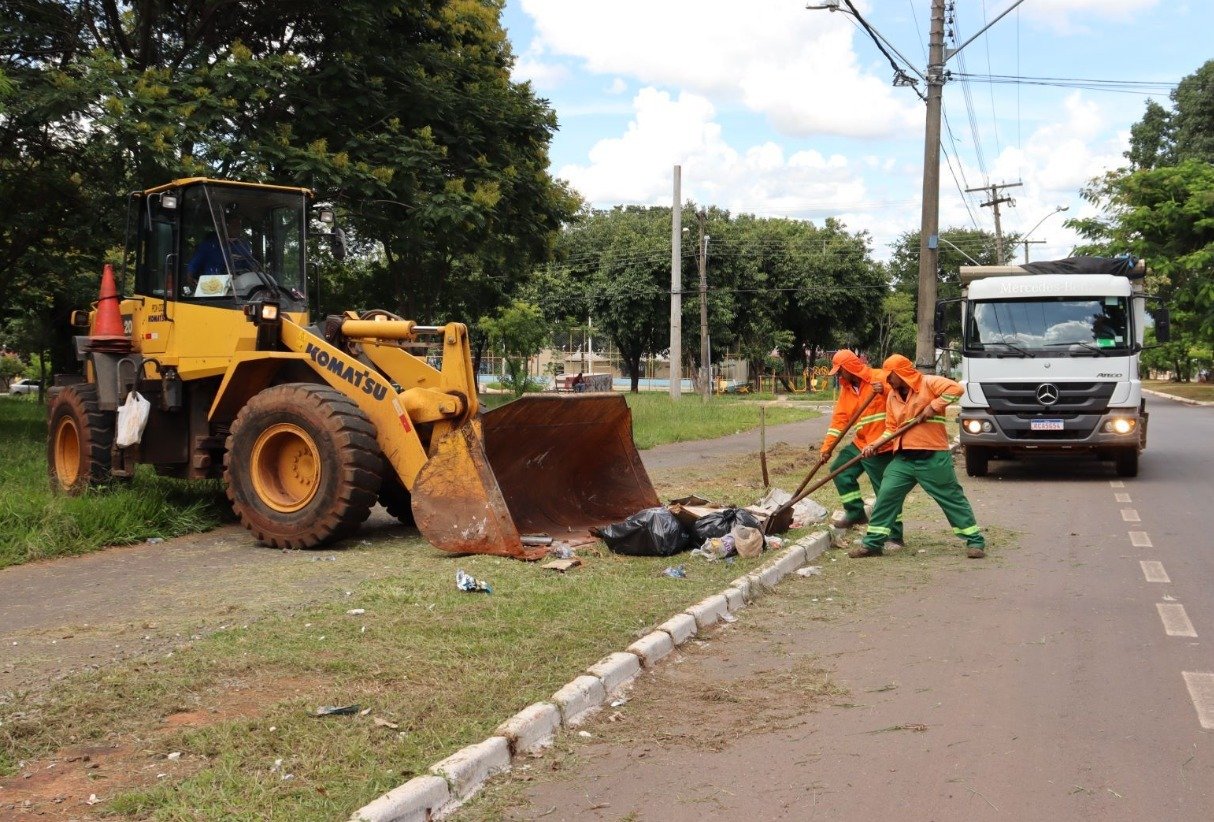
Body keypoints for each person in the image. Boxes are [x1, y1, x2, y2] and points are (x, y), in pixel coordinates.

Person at [851, 354, 986, 560]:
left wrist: (933, 407)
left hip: (932, 457)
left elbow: (956, 389)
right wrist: (874, 445)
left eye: (891, 376)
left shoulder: (928, 383)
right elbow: (891, 429)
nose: (888, 380)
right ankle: (873, 543)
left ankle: (975, 541)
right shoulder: (892, 396)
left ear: (901, 373)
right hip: (904, 460)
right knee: (886, 496)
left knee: (951, 498)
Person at [821, 350, 905, 549]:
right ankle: (856, 513)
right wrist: (827, 448)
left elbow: (903, 391)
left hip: (881, 446)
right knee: (840, 470)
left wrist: (884, 389)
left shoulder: (879, 377)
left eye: (840, 371)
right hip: (861, 443)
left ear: (850, 368)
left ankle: (895, 535)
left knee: (885, 491)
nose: (839, 376)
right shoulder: (847, 390)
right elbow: (839, 421)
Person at [185, 207, 258, 293]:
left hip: (237, 288)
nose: (237, 229)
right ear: (224, 226)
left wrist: (255, 269)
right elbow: (193, 265)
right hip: (212, 287)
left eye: (239, 226)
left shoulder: (242, 245)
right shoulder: (208, 245)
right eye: (234, 225)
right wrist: (190, 278)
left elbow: (250, 265)